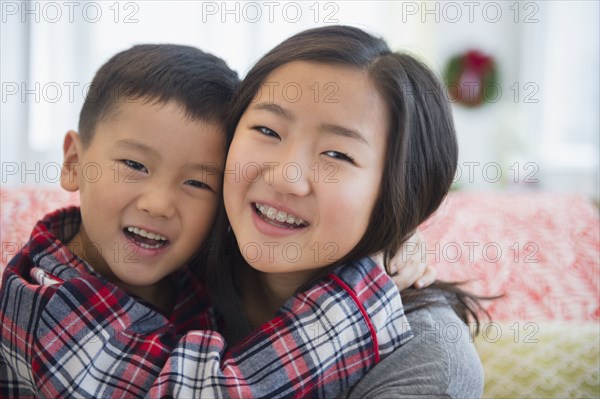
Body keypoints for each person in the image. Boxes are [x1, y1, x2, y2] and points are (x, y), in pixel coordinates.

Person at [0, 43, 431, 398]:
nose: (160, 204)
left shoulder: (196, 266)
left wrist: (393, 236)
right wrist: (362, 291)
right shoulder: (44, 302)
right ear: (75, 162)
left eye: (197, 183)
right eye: (134, 164)